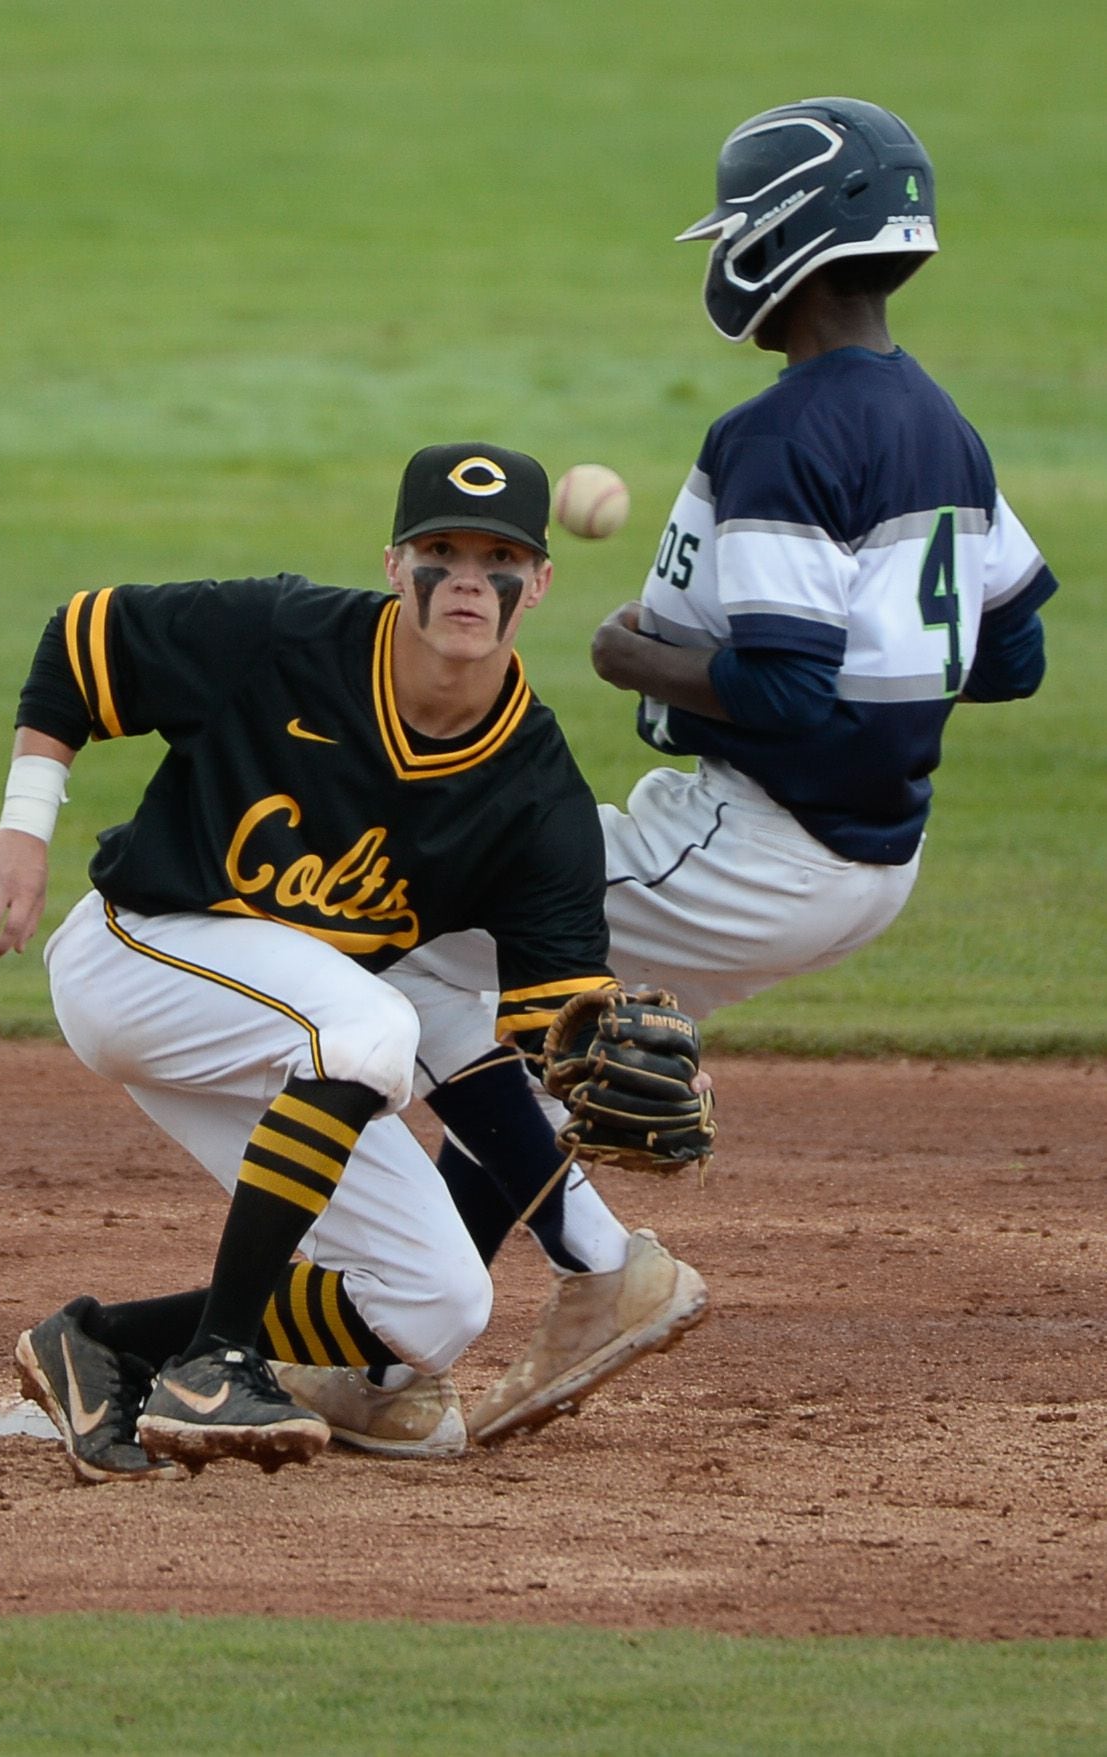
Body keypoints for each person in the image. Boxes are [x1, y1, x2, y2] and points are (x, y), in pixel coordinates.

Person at [392, 96, 1058, 1442]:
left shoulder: (778, 436)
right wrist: (889, 678)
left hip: (750, 844)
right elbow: (1009, 657)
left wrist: (627, 655)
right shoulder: (943, 426)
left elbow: (778, 685)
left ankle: (597, 1265)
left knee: (401, 936)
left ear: (785, 239)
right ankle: (383, 1350)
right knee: (537, 1052)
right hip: (864, 860)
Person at [0, 441, 709, 1484]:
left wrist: (607, 1064)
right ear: (396, 564)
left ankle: (104, 1344)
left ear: (538, 581)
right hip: (139, 957)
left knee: (438, 1303)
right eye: (440, 550)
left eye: (498, 557)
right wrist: (22, 829)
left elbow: (550, 1011)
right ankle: (215, 1364)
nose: (467, 579)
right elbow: (85, 642)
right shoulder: (279, 635)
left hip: (288, 1034)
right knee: (374, 1025)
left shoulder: (537, 796)